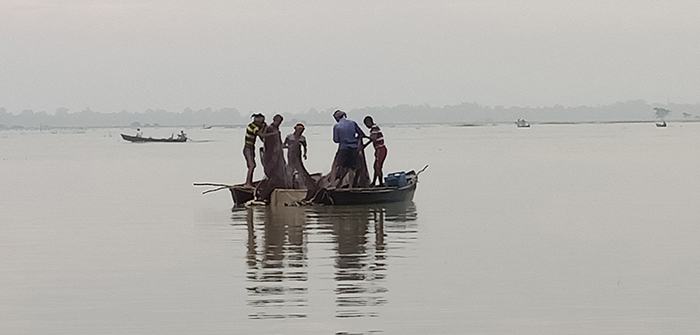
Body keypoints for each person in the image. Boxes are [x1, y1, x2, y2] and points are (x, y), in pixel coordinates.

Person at [257, 114, 291, 200]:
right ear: (274, 120)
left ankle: (279, 188)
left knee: (281, 172)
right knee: (272, 172)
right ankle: (266, 192)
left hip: (278, 155)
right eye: (277, 121)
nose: (278, 123)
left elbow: (279, 143)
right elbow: (261, 136)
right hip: (270, 155)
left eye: (280, 122)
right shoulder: (269, 128)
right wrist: (273, 134)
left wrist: (286, 146)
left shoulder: (277, 130)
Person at [332, 110, 367, 187]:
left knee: (339, 166)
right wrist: (355, 140)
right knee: (352, 168)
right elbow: (361, 134)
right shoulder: (352, 123)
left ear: (337, 118)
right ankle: (351, 186)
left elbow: (336, 140)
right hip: (354, 149)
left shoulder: (337, 126)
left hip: (343, 149)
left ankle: (336, 184)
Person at [283, 123, 311, 188]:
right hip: (290, 155)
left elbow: (305, 147)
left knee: (300, 170)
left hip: (298, 155)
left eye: (301, 130)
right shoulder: (289, 137)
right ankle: (289, 184)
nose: (300, 131)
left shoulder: (302, 138)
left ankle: (302, 184)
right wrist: (288, 147)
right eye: (298, 129)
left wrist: (305, 154)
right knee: (290, 169)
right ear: (295, 129)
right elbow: (283, 145)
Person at [363, 116, 387, 186]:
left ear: (369, 122)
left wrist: (365, 144)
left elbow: (373, 138)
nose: (366, 126)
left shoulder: (374, 128)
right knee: (375, 166)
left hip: (381, 149)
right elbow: (372, 138)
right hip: (378, 150)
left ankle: (381, 183)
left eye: (366, 124)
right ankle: (374, 182)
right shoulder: (374, 128)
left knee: (378, 166)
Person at [243, 113, 265, 188]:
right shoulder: (252, 126)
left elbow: (263, 139)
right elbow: (261, 135)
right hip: (247, 148)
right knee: (252, 165)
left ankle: (249, 182)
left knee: (252, 165)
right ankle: (247, 183)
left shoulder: (256, 127)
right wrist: (273, 133)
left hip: (252, 148)